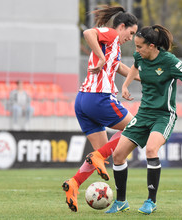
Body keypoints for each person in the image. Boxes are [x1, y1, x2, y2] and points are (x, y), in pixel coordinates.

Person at [102, 25, 182, 215]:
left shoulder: (169, 61)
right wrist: (126, 85)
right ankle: (121, 201)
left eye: (139, 47)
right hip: (143, 114)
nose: (136, 51)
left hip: (164, 115)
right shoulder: (140, 57)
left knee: (152, 150)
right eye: (135, 46)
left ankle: (150, 201)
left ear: (152, 46)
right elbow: (134, 68)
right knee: (118, 155)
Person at [62, 5, 139, 212]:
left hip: (82, 101)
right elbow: (88, 33)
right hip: (98, 98)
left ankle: (74, 184)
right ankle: (96, 158)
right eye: (130, 33)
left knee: (103, 152)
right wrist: (102, 57)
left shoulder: (113, 46)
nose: (130, 38)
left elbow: (120, 68)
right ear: (121, 26)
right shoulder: (112, 34)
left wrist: (147, 79)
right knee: (135, 126)